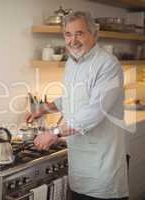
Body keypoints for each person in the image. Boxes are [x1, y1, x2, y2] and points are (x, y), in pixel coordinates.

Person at [26, 11, 129, 200]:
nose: (73, 40)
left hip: (102, 168)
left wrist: (54, 132)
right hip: (79, 168)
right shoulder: (72, 63)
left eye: (79, 33)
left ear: (93, 34)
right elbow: (70, 98)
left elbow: (94, 111)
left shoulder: (107, 65)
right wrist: (44, 108)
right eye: (68, 34)